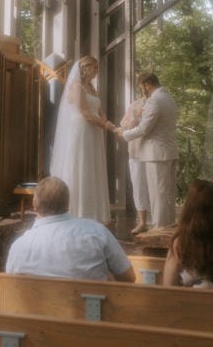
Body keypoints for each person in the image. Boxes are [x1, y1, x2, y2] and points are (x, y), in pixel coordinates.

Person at [5, 176, 135, 282]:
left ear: (34, 205)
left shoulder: (19, 246)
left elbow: (13, 287)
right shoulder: (97, 232)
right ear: (68, 203)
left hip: (35, 313)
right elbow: (128, 277)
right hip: (91, 312)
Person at [50, 56, 115, 223]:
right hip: (82, 130)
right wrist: (107, 126)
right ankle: (77, 211)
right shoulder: (76, 87)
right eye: (95, 67)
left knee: (93, 167)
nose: (97, 71)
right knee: (82, 166)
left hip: (94, 130)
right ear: (85, 69)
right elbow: (86, 113)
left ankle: (94, 212)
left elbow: (99, 111)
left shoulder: (92, 88)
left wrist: (108, 122)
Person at [117, 72, 178, 228]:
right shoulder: (170, 99)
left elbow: (144, 129)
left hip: (155, 154)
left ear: (147, 84)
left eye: (142, 86)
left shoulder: (154, 101)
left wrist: (125, 134)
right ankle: (169, 225)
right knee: (168, 194)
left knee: (158, 194)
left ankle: (159, 228)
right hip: (170, 151)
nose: (143, 90)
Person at [120, 94, 150, 235]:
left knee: (154, 187)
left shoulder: (157, 103)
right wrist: (134, 118)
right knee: (138, 186)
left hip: (152, 151)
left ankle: (157, 221)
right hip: (136, 150)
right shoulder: (135, 104)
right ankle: (142, 222)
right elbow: (123, 124)